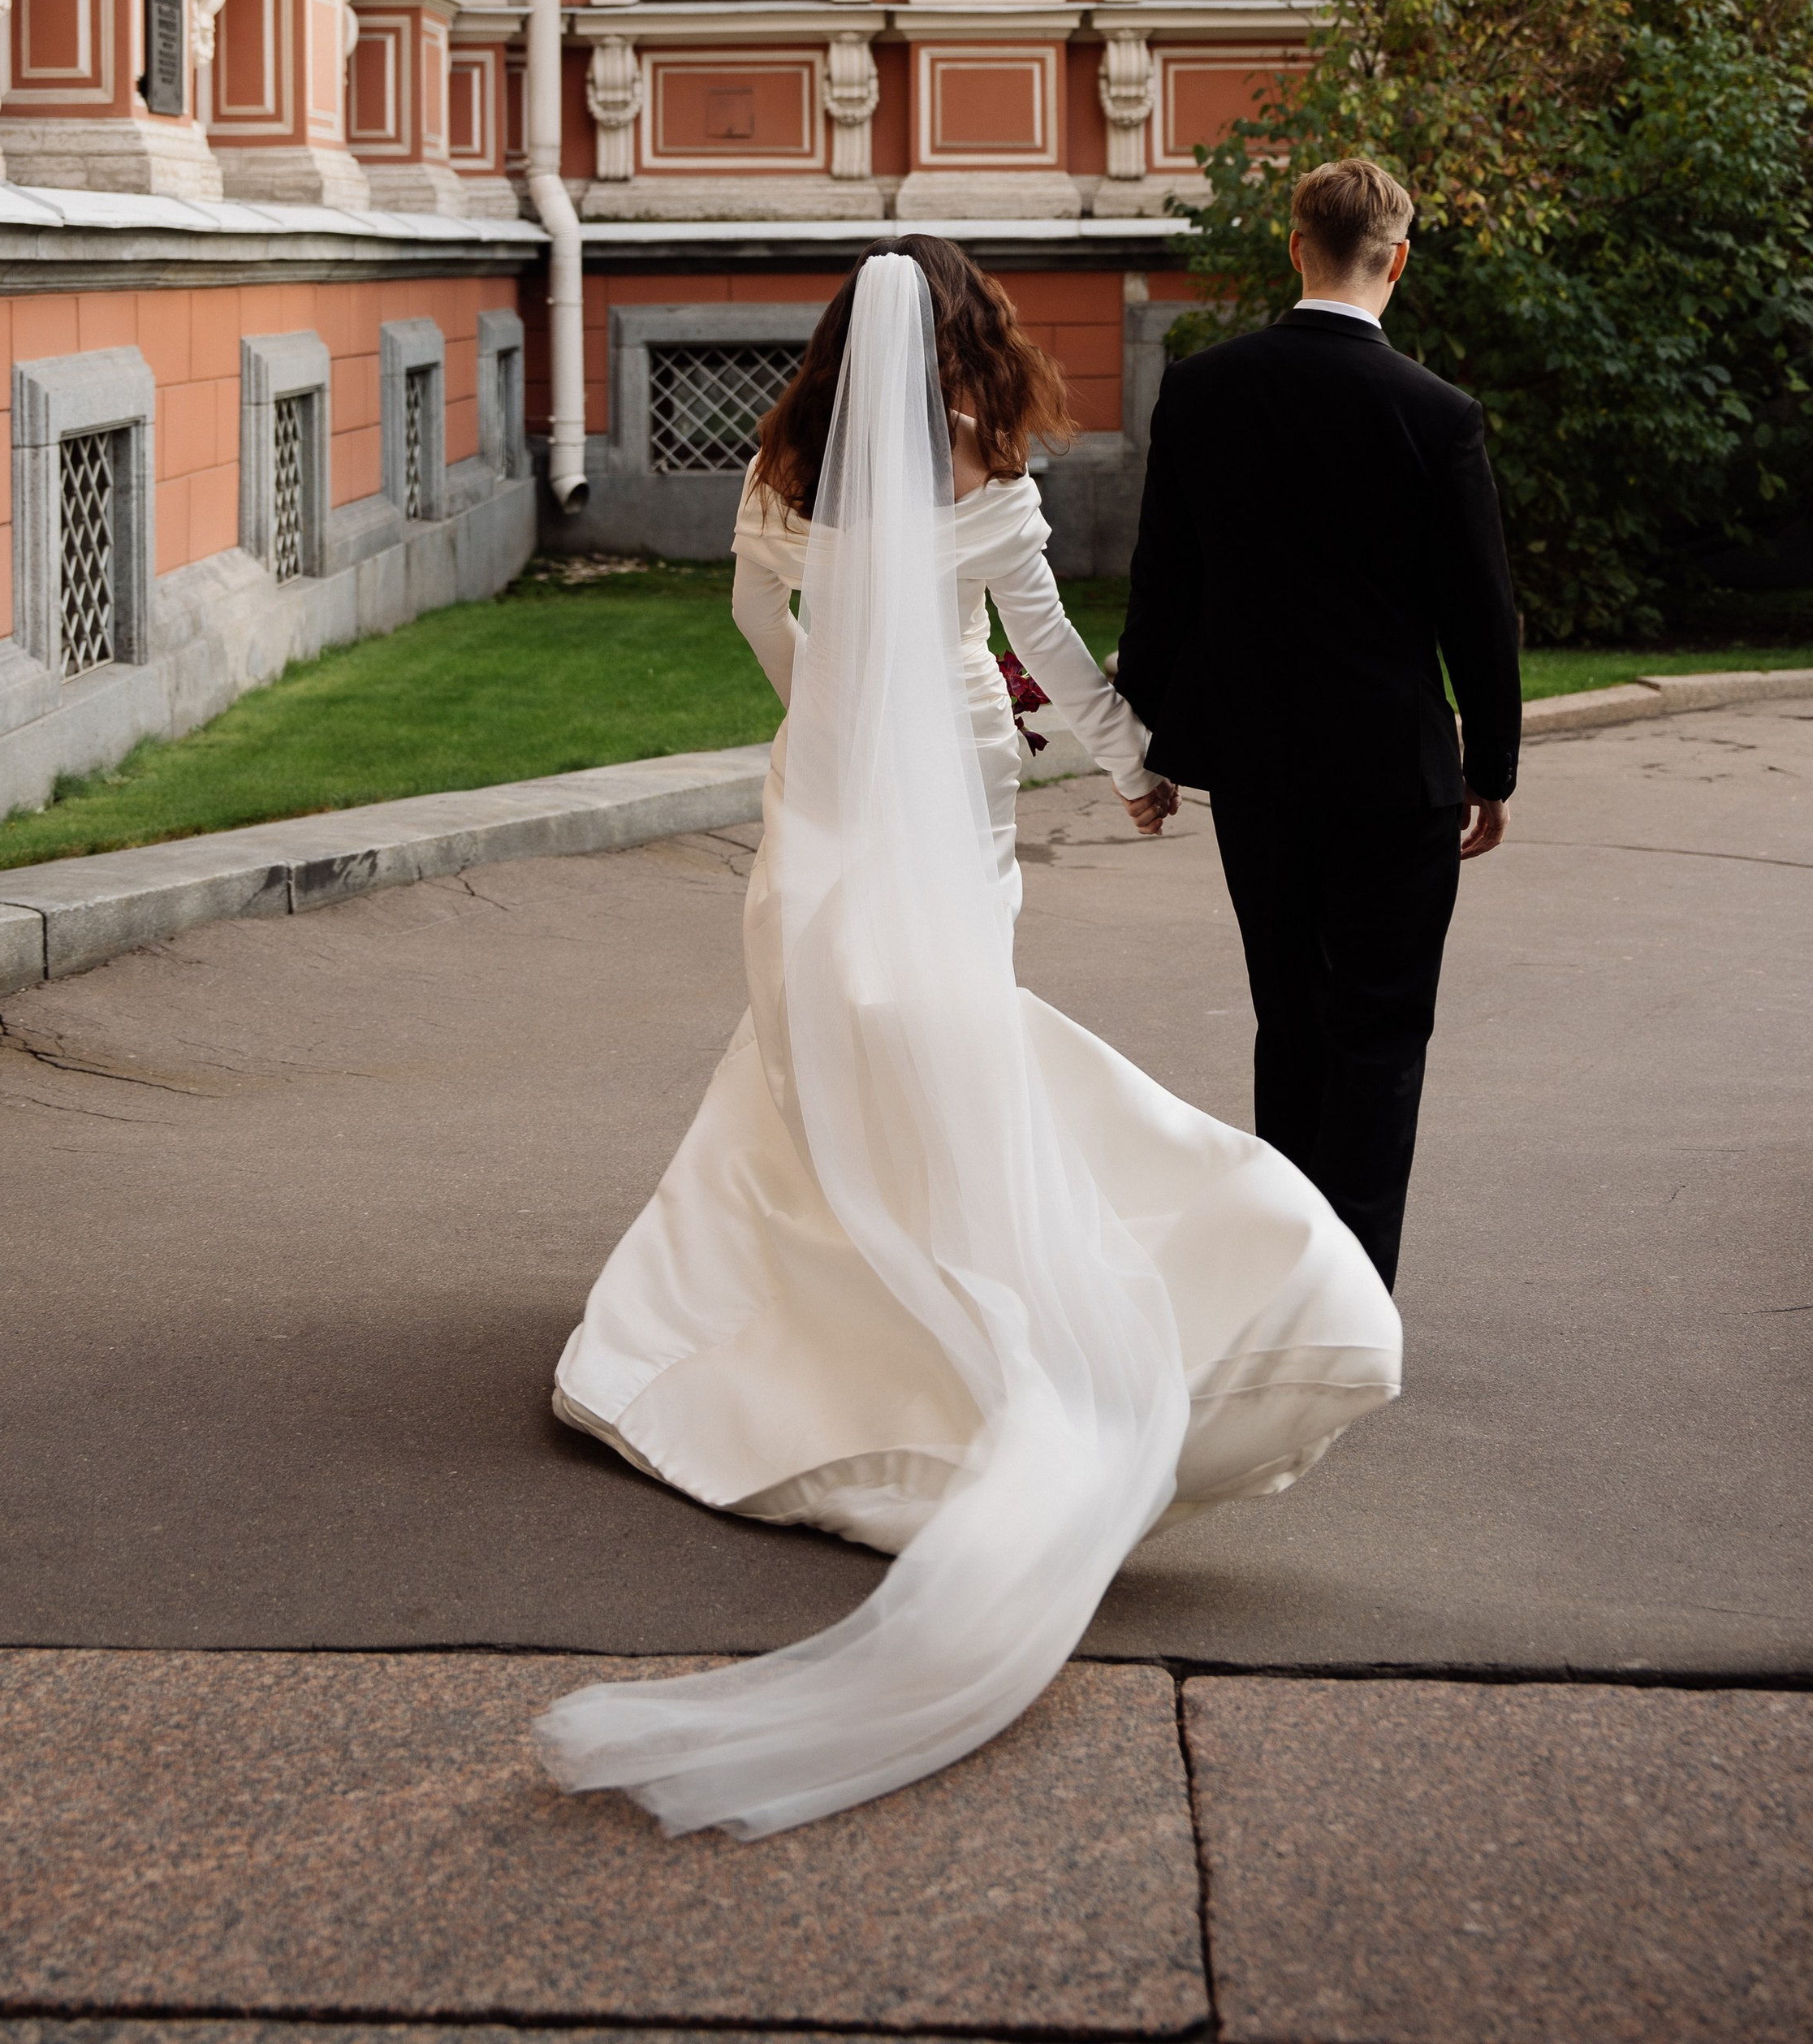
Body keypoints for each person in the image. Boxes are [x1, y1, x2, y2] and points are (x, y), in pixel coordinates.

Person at [536, 237, 1401, 1841]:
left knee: (818, 1027)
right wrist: (1131, 761)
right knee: (930, 1024)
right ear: (969, 346)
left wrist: (819, 707)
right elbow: (1049, 655)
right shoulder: (995, 486)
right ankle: (943, 1259)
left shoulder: (786, 460)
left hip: (832, 782)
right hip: (953, 772)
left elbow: (751, 608)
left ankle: (794, 1281)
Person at [1112, 158, 1522, 1294]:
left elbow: (1165, 584)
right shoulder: (1437, 415)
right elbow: (1478, 610)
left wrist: (1150, 737)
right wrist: (1491, 761)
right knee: (1382, 1036)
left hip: (1259, 767)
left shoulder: (1203, 390)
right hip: (1395, 773)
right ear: (1394, 261)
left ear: (1297, 247)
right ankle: (1352, 1295)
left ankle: (1279, 1284)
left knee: (1287, 1018)